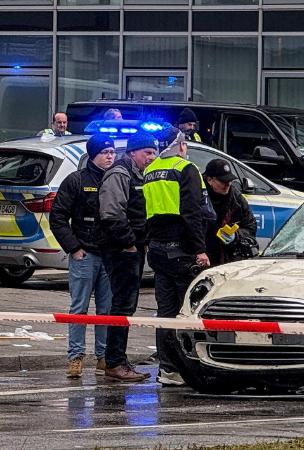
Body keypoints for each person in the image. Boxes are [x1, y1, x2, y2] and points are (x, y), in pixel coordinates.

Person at [143, 126, 209, 386]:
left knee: (165, 312)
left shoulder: (150, 171)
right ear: (180, 145)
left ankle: (168, 369)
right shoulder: (186, 169)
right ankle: (187, 366)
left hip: (158, 249)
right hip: (181, 249)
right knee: (186, 312)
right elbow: (193, 213)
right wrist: (200, 249)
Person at [49, 134, 116, 379]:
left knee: (106, 310)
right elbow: (57, 217)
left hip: (109, 255)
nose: (109, 156)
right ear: (93, 154)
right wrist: (74, 247)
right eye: (104, 152)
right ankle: (76, 357)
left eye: (111, 152)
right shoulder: (76, 180)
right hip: (84, 255)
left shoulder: (117, 179)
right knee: (79, 308)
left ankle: (104, 357)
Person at [98, 131, 157, 382]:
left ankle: (117, 360)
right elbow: (111, 214)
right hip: (121, 250)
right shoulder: (120, 174)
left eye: (154, 152)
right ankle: (115, 362)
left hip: (131, 248)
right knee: (122, 305)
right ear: (133, 152)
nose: (152, 157)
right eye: (147, 152)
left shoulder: (137, 174)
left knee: (126, 305)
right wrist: (130, 243)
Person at [203, 159, 257, 266]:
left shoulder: (236, 198)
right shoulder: (198, 195)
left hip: (227, 256)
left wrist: (236, 236)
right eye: (223, 182)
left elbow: (250, 227)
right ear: (210, 180)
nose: (227, 185)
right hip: (203, 255)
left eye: (229, 181)